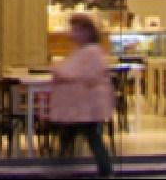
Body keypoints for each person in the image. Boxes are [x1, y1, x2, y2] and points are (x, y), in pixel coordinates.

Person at [48, 14, 115, 178]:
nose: (72, 33)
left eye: (76, 29)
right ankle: (63, 167)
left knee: (91, 137)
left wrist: (62, 73)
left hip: (87, 108)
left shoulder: (91, 52)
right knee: (76, 136)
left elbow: (86, 75)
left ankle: (105, 171)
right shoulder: (82, 51)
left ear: (86, 32)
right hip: (80, 108)